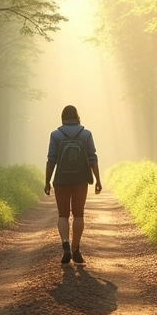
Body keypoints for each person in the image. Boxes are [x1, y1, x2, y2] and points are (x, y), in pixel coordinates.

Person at [45, 105, 102, 264]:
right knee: (78, 214)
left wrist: (47, 181)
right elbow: (93, 158)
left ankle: (65, 243)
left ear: (63, 117)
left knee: (63, 214)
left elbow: (51, 160)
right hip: (80, 181)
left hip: (61, 180)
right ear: (77, 116)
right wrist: (97, 180)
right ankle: (76, 247)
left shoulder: (55, 135)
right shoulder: (86, 134)